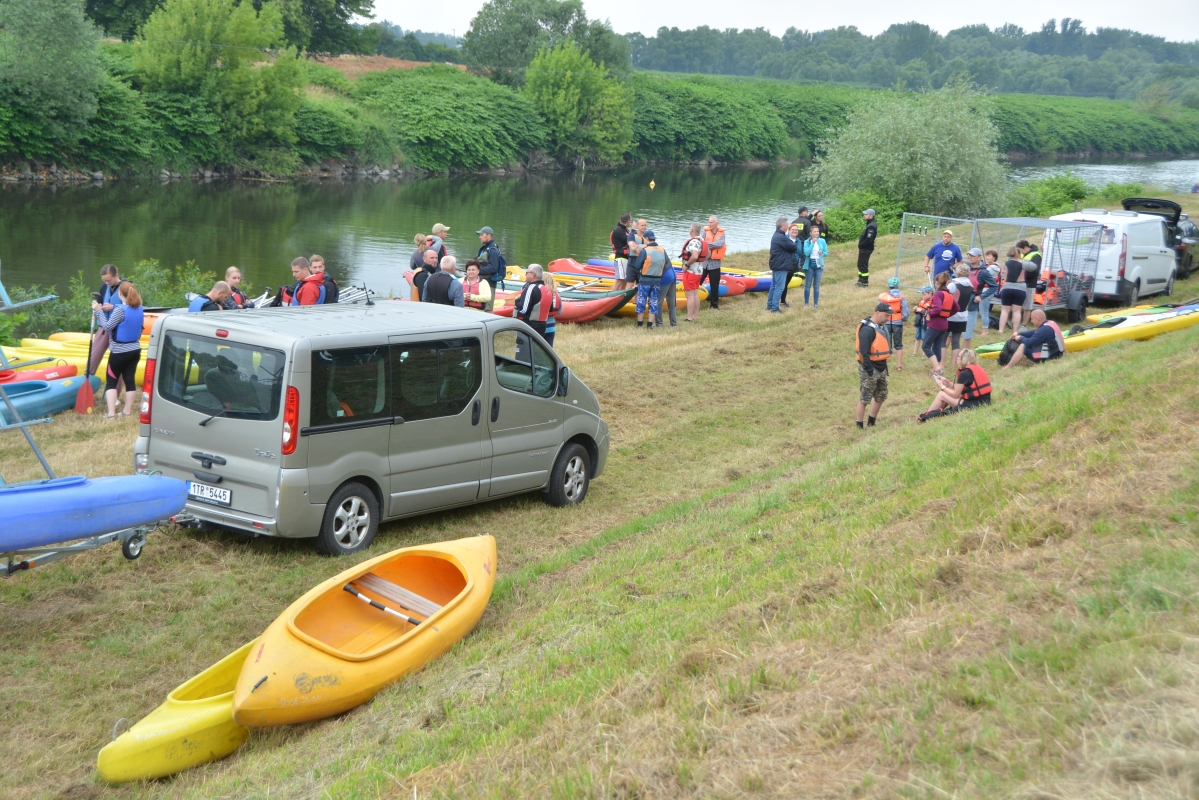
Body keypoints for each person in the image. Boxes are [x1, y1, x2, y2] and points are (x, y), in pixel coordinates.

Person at [92, 282, 144, 418]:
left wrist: (98, 311)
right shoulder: (140, 309)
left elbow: (107, 326)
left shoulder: (120, 310)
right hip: (135, 350)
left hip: (119, 351)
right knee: (130, 380)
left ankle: (111, 414)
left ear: (120, 293)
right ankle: (126, 412)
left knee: (111, 381)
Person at [918, 349, 992, 422]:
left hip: (973, 405)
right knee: (948, 392)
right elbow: (965, 389)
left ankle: (927, 416)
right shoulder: (975, 368)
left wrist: (942, 386)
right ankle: (934, 414)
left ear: (963, 359)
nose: (957, 358)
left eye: (958, 356)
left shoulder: (965, 373)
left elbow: (955, 395)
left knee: (941, 394)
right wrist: (948, 383)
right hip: (984, 401)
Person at [855, 302, 893, 429]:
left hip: (881, 367)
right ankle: (859, 425)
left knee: (881, 395)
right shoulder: (867, 330)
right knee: (865, 398)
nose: (888, 319)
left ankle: (872, 421)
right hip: (870, 368)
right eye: (886, 315)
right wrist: (869, 371)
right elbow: (863, 352)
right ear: (878, 313)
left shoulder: (881, 327)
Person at [90, 264, 129, 382]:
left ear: (116, 275)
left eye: (109, 280)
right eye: (105, 280)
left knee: (116, 362)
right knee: (93, 357)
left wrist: (113, 307)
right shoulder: (104, 287)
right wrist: (98, 306)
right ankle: (86, 382)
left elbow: (132, 307)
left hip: (118, 329)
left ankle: (115, 394)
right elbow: (100, 303)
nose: (107, 283)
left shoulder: (126, 287)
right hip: (103, 327)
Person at [921, 272, 957, 375]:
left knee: (926, 346)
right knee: (937, 346)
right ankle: (936, 369)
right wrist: (946, 315)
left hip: (935, 323)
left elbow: (937, 308)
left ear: (937, 282)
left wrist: (930, 314)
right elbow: (956, 308)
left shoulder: (938, 294)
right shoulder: (949, 294)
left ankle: (937, 368)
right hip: (944, 324)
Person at [636, 230, 669, 329]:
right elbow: (666, 263)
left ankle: (640, 325)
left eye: (644, 239)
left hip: (645, 280)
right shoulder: (662, 250)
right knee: (653, 302)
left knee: (641, 301)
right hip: (657, 281)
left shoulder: (645, 250)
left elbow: (637, 265)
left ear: (646, 238)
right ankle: (650, 325)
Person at [767, 216, 797, 314]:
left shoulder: (776, 235)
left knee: (774, 286)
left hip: (776, 264)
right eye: (787, 225)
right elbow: (792, 247)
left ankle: (770, 305)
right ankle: (775, 308)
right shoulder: (781, 237)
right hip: (781, 265)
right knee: (779, 287)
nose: (788, 227)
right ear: (783, 226)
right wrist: (792, 243)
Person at [515, 264, 553, 338]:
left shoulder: (531, 288)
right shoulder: (547, 289)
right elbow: (550, 309)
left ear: (533, 275)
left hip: (529, 326)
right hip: (542, 326)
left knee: (524, 349)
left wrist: (516, 300)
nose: (525, 275)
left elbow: (523, 309)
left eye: (527, 273)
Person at [783, 208, 811, 307]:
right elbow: (809, 233)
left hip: (798, 242)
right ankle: (801, 275)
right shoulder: (807, 221)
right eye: (807, 211)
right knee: (803, 259)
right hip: (802, 243)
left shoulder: (795, 221)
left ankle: (796, 273)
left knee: (799, 258)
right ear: (803, 212)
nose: (807, 213)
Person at [879, 276, 909, 370]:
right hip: (898, 323)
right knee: (898, 344)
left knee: (886, 344)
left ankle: (885, 365)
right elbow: (905, 310)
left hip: (886, 322)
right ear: (897, 286)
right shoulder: (901, 297)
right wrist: (903, 318)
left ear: (888, 286)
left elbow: (879, 308)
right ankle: (899, 365)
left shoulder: (883, 297)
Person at [948, 264, 975, 364]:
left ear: (957, 272)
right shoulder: (970, 285)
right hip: (963, 315)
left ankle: (940, 363)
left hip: (950, 315)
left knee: (943, 340)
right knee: (956, 341)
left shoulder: (953, 284)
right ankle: (953, 364)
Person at [997, 246, 1027, 334]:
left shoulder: (1006, 263)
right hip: (1020, 288)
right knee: (1017, 311)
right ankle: (1015, 331)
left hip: (1008, 287)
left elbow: (1005, 276)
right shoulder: (1024, 264)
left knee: (1004, 310)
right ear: (1018, 253)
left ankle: (1001, 330)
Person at [680, 222, 706, 322]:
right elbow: (707, 254)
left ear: (691, 230)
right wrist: (700, 262)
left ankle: (689, 317)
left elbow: (694, 256)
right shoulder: (702, 240)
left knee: (690, 294)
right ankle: (695, 316)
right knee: (695, 293)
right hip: (699, 271)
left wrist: (687, 265)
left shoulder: (693, 242)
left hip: (691, 272)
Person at [702, 215, 726, 310]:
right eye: (709, 222)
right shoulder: (705, 232)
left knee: (714, 285)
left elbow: (720, 244)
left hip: (715, 264)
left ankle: (714, 305)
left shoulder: (722, 233)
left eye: (711, 222)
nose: (709, 224)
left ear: (716, 223)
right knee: (698, 282)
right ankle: (694, 301)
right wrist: (711, 245)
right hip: (704, 263)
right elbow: (702, 243)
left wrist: (708, 244)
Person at [975, 250, 1001, 337]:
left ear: (994, 258)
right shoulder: (988, 266)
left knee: (984, 311)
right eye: (986, 255)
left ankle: (985, 330)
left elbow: (981, 274)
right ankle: (985, 328)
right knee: (982, 311)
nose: (987, 257)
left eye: (989, 256)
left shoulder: (993, 268)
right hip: (984, 289)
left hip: (987, 290)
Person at [475, 226, 505, 302]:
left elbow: (493, 268)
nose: (479, 237)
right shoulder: (485, 248)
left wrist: (477, 271)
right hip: (482, 282)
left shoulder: (493, 250)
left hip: (489, 284)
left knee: (488, 309)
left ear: (488, 236)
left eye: (482, 235)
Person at [802, 223, 828, 309]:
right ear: (810, 233)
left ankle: (815, 304)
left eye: (817, 231)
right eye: (815, 231)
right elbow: (806, 253)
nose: (817, 233)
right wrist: (812, 243)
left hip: (819, 265)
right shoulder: (807, 242)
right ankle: (806, 303)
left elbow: (826, 253)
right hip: (809, 265)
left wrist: (822, 253)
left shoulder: (822, 241)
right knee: (807, 285)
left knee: (816, 285)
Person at [1017, 239, 1042, 324]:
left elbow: (1035, 272)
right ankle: (1014, 322)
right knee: (1017, 304)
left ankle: (1024, 324)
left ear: (1026, 247)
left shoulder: (1036, 256)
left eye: (1021, 250)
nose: (1020, 252)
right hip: (1020, 283)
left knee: (1027, 306)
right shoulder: (1023, 254)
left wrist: (1023, 276)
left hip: (1029, 284)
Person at [656, 249, 678, 328]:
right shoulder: (661, 249)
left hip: (665, 276)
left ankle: (659, 323)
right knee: (671, 300)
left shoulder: (648, 251)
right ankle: (674, 322)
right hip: (672, 273)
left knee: (658, 300)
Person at [610, 213, 632, 291]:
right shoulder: (618, 231)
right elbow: (629, 239)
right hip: (620, 258)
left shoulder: (625, 230)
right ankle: (611, 297)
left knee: (624, 280)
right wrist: (634, 230)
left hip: (625, 258)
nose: (631, 222)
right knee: (619, 280)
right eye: (630, 220)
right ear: (628, 221)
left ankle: (621, 296)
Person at [856, 208, 878, 288]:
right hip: (864, 248)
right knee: (860, 264)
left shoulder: (871, 226)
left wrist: (861, 245)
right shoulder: (869, 224)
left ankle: (864, 282)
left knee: (863, 265)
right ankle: (860, 280)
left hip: (866, 248)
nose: (864, 215)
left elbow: (869, 239)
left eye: (866, 214)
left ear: (871, 215)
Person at [542, 272, 563, 345]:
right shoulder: (557, 295)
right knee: (547, 351)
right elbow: (559, 311)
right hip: (551, 327)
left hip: (541, 326)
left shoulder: (540, 293)